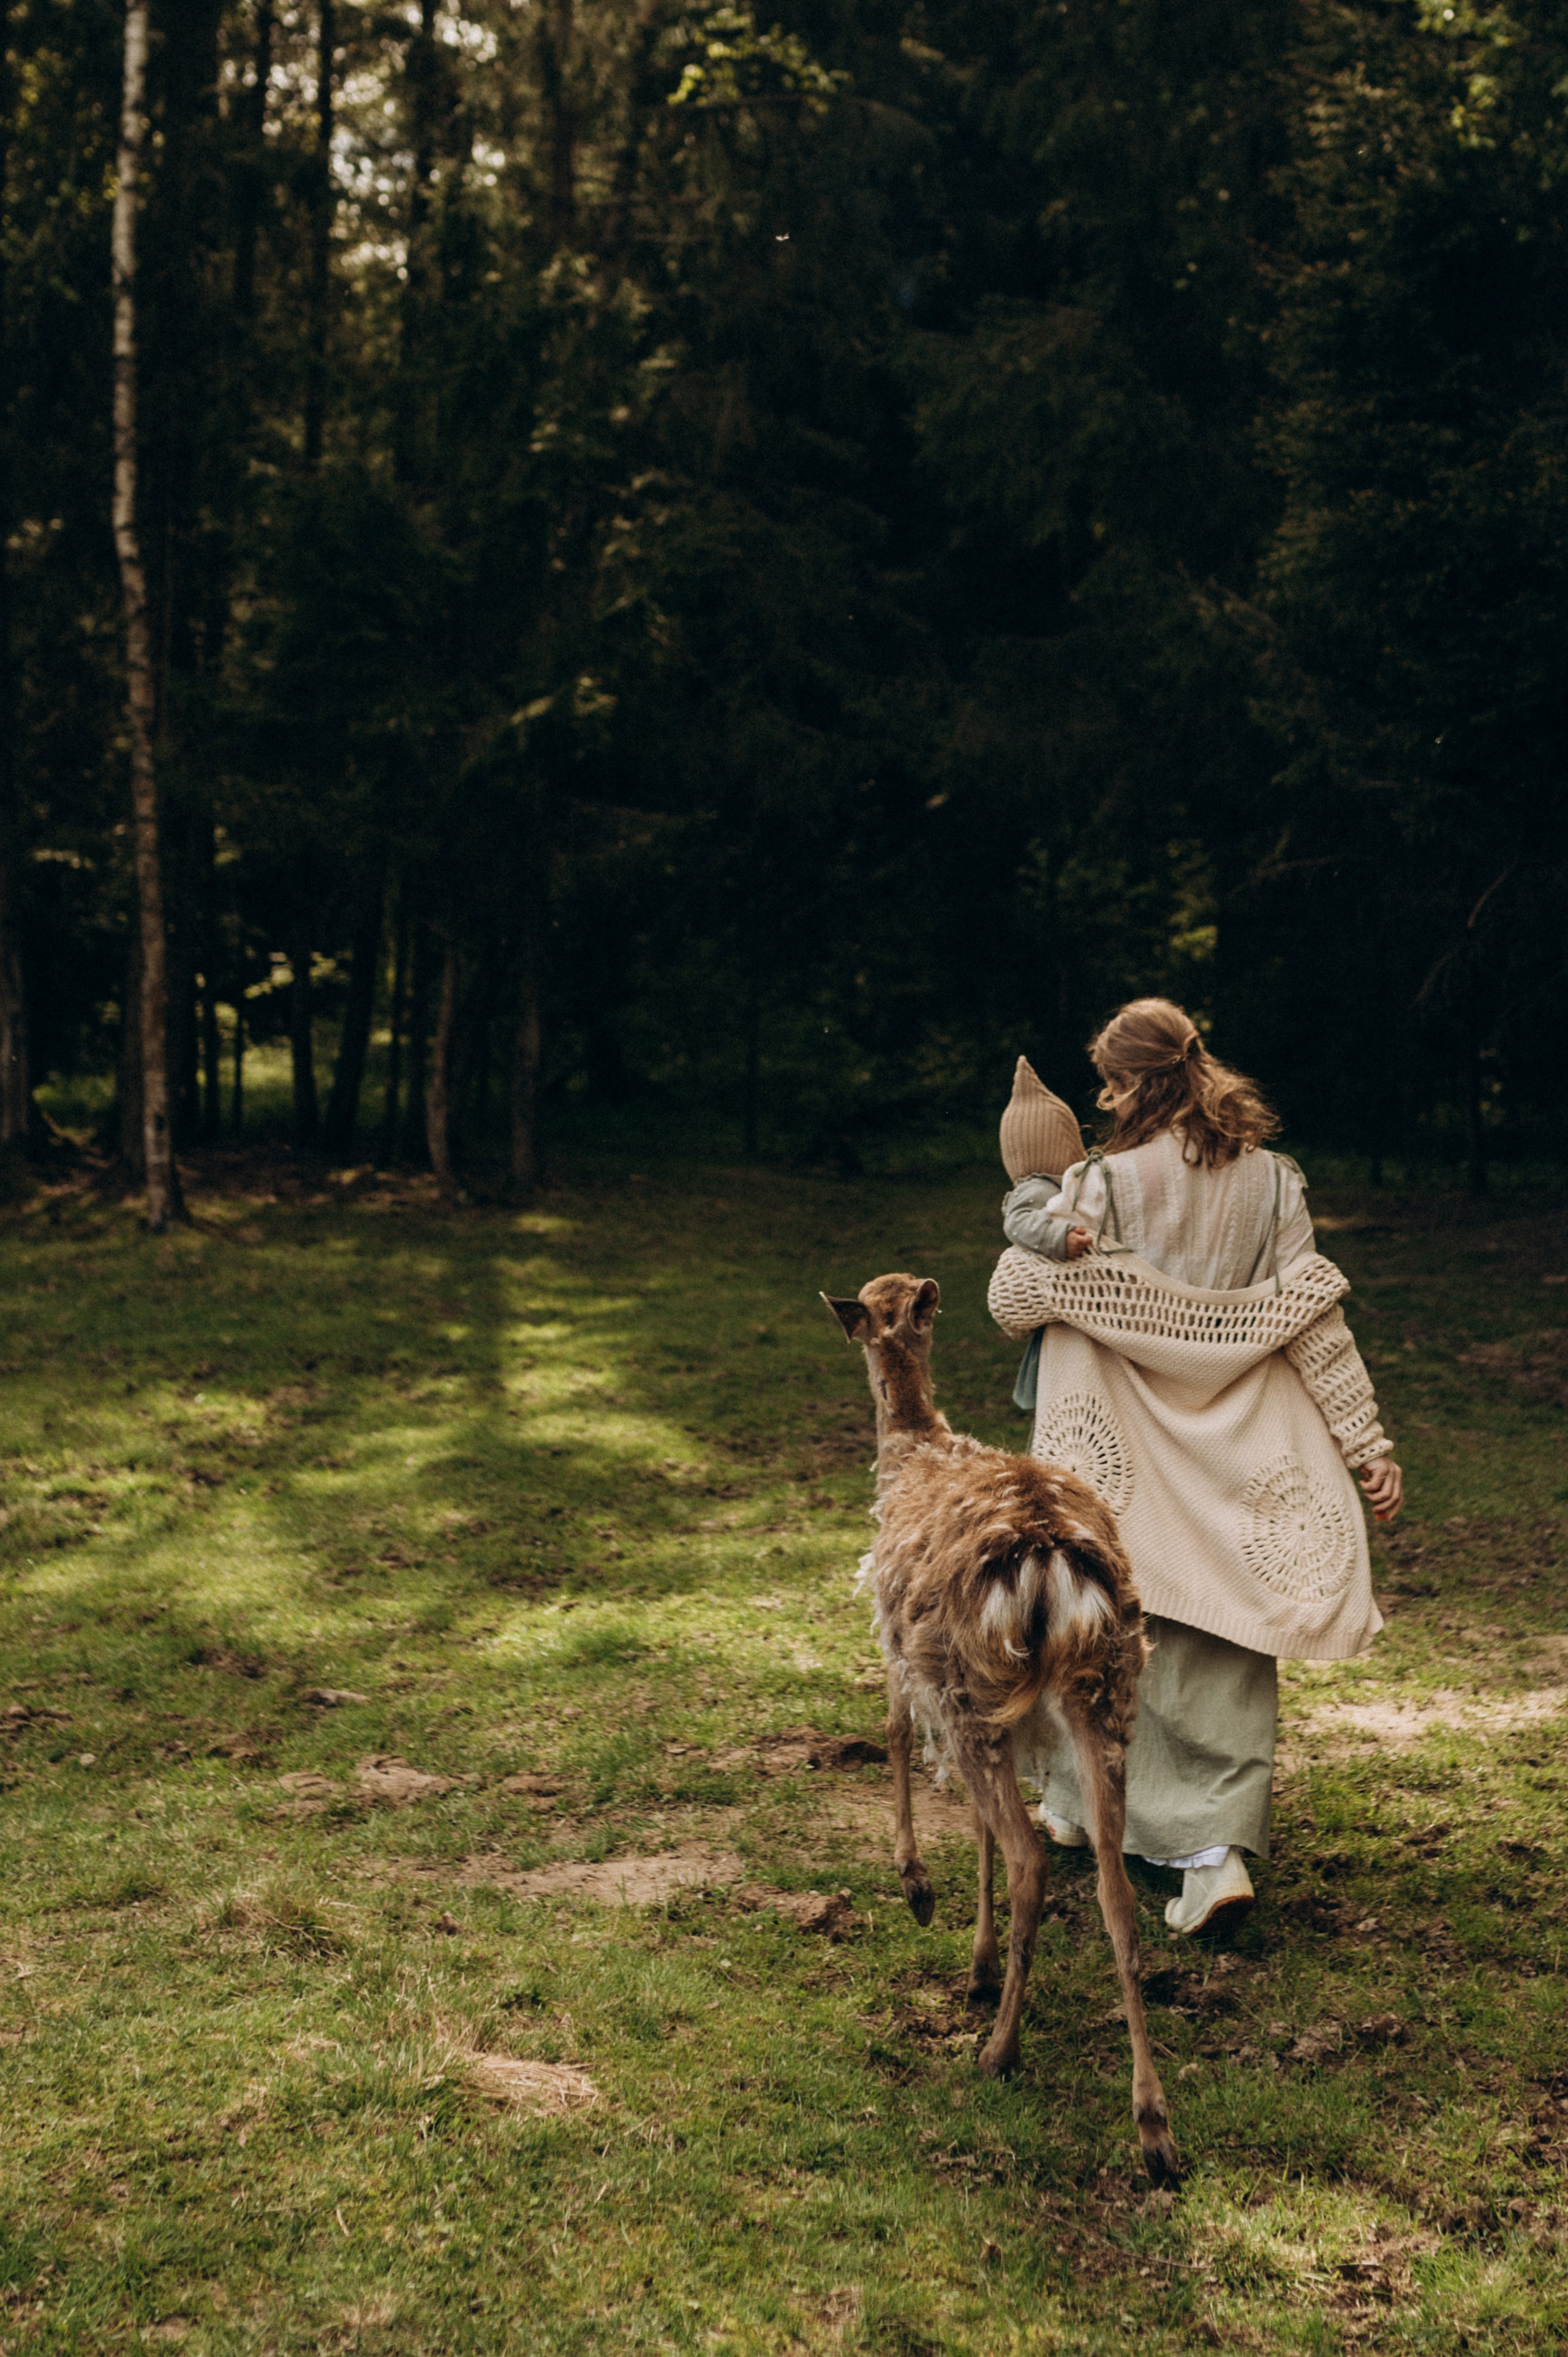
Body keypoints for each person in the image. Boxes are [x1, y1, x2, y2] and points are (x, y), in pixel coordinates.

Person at [989, 998, 1402, 1937]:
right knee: (1226, 1637)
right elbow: (1317, 1326)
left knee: (1103, 1625)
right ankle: (1201, 1851)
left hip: (1124, 1446)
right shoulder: (1276, 1185)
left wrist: (1037, 1222)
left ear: (1134, 1082)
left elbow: (1015, 1296)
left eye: (1112, 1081)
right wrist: (1366, 1446)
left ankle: (1120, 1819)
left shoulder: (1101, 1184)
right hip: (1245, 1443)